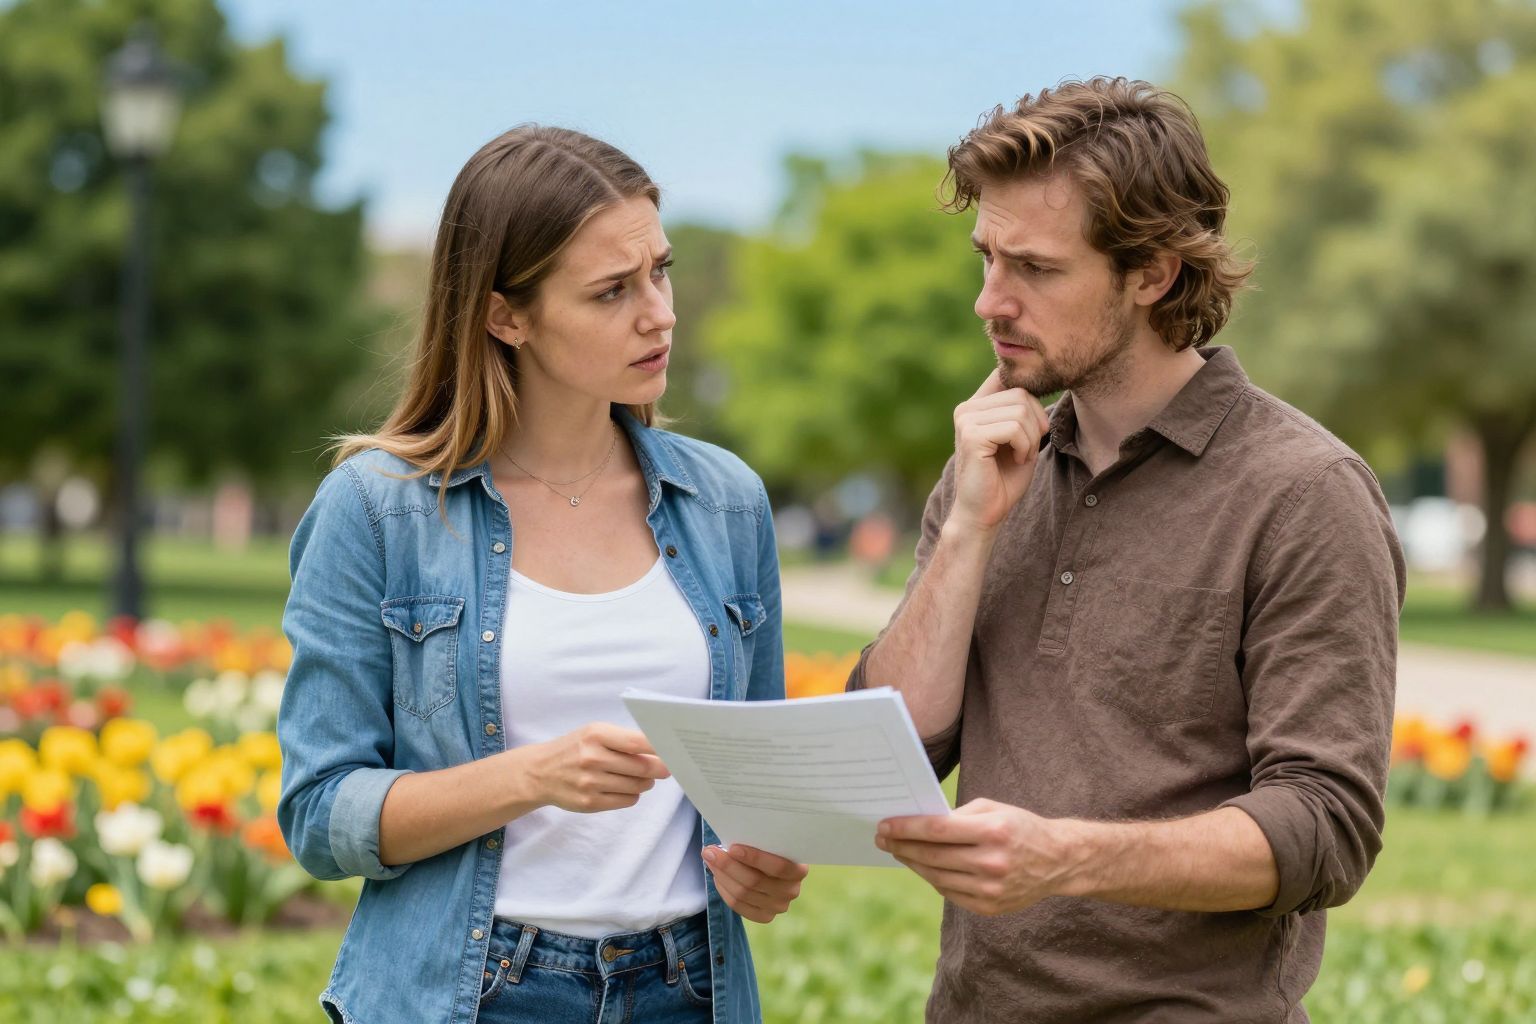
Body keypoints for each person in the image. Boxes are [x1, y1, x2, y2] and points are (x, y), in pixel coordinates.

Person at [849, 77, 1406, 1022]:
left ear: (1152, 273)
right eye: (987, 258)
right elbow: (890, 750)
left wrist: (1066, 857)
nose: (989, 302)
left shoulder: (1305, 493)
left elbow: (1325, 826)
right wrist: (968, 531)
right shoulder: (988, 465)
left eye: (1036, 269)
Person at [277, 125, 806, 1024]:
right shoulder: (376, 509)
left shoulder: (726, 502)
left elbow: (756, 787)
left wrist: (768, 863)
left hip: (692, 988)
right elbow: (321, 815)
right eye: (611, 291)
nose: (659, 314)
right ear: (504, 316)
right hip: (476, 992)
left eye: (661, 271)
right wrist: (531, 777)